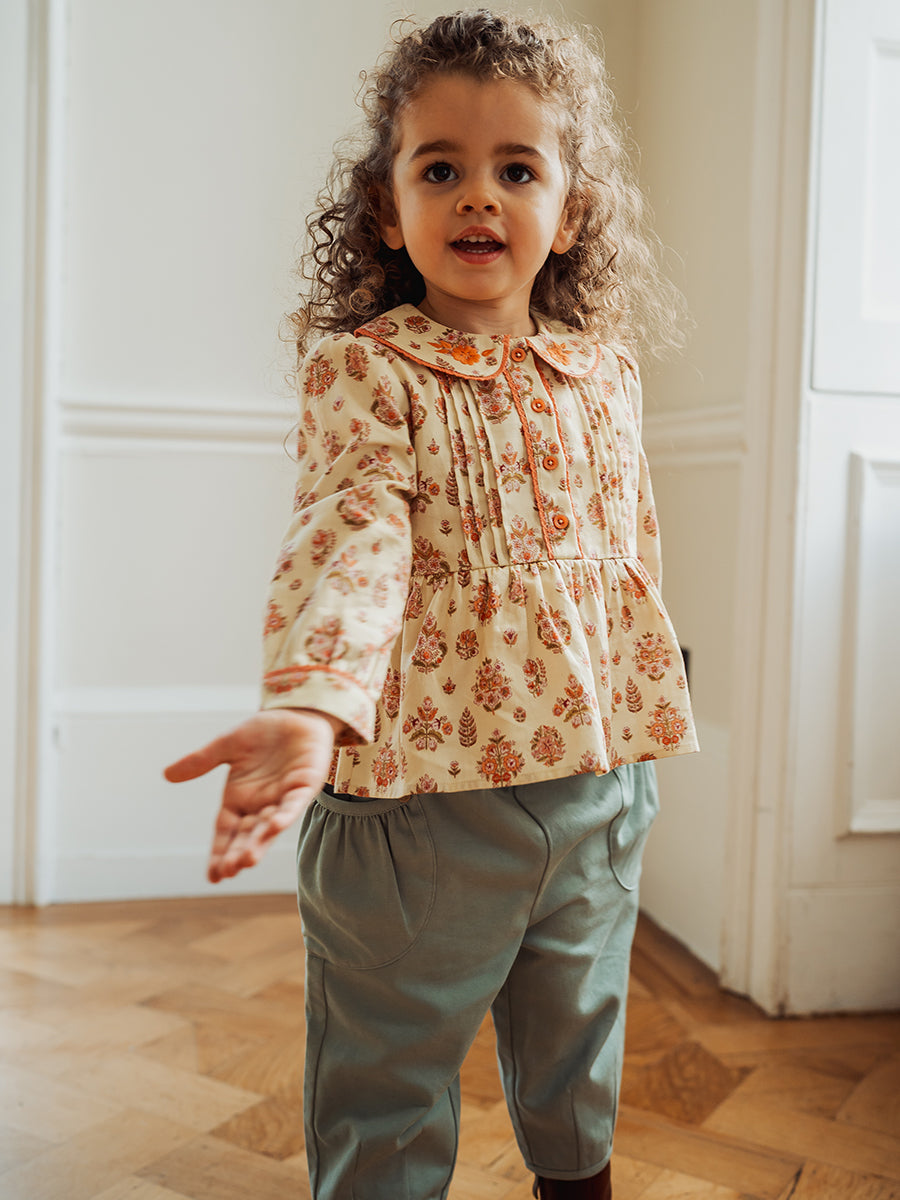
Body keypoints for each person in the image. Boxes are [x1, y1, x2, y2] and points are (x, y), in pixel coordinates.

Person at [164, 10, 698, 1198]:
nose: (479, 197)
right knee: (386, 1077)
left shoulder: (603, 371)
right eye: (441, 169)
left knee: (581, 1043)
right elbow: (353, 533)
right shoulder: (369, 370)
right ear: (386, 208)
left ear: (573, 210)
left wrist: (648, 700)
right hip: (420, 810)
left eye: (518, 170)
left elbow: (626, 556)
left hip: (596, 786)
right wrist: (311, 703)